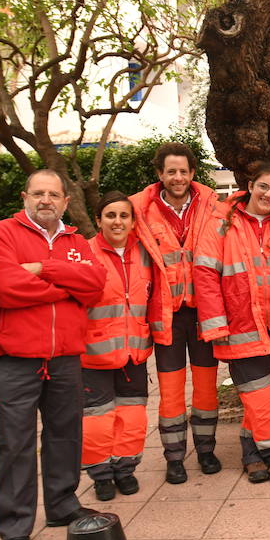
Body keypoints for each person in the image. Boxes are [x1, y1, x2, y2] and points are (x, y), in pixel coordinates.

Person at [0, 169, 106, 540]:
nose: (46, 200)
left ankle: (62, 504)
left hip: (65, 357)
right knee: (14, 443)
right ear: (25, 197)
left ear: (66, 202)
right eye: (38, 193)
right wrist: (67, 288)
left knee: (65, 434)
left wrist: (43, 269)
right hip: (14, 358)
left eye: (53, 194)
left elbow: (95, 286)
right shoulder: (1, 234)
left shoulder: (77, 242)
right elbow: (5, 287)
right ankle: (15, 528)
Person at [194, 161, 270, 483]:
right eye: (264, 186)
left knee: (268, 396)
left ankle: (252, 454)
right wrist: (216, 324)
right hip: (240, 327)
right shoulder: (222, 222)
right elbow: (205, 274)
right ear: (250, 186)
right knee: (263, 398)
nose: (269, 194)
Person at [129, 142, 223, 484]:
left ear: (193, 173)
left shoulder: (212, 205)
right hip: (166, 314)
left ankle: (207, 449)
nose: (178, 177)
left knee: (206, 386)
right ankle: (174, 457)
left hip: (203, 313)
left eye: (184, 171)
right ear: (160, 174)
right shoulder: (139, 208)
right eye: (171, 171)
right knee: (170, 390)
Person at [80, 191, 171, 501]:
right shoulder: (84, 253)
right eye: (110, 215)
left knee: (132, 417)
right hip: (94, 354)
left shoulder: (145, 253)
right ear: (98, 220)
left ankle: (125, 468)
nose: (117, 221)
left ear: (133, 222)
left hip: (134, 352)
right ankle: (101, 474)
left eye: (123, 216)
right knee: (97, 420)